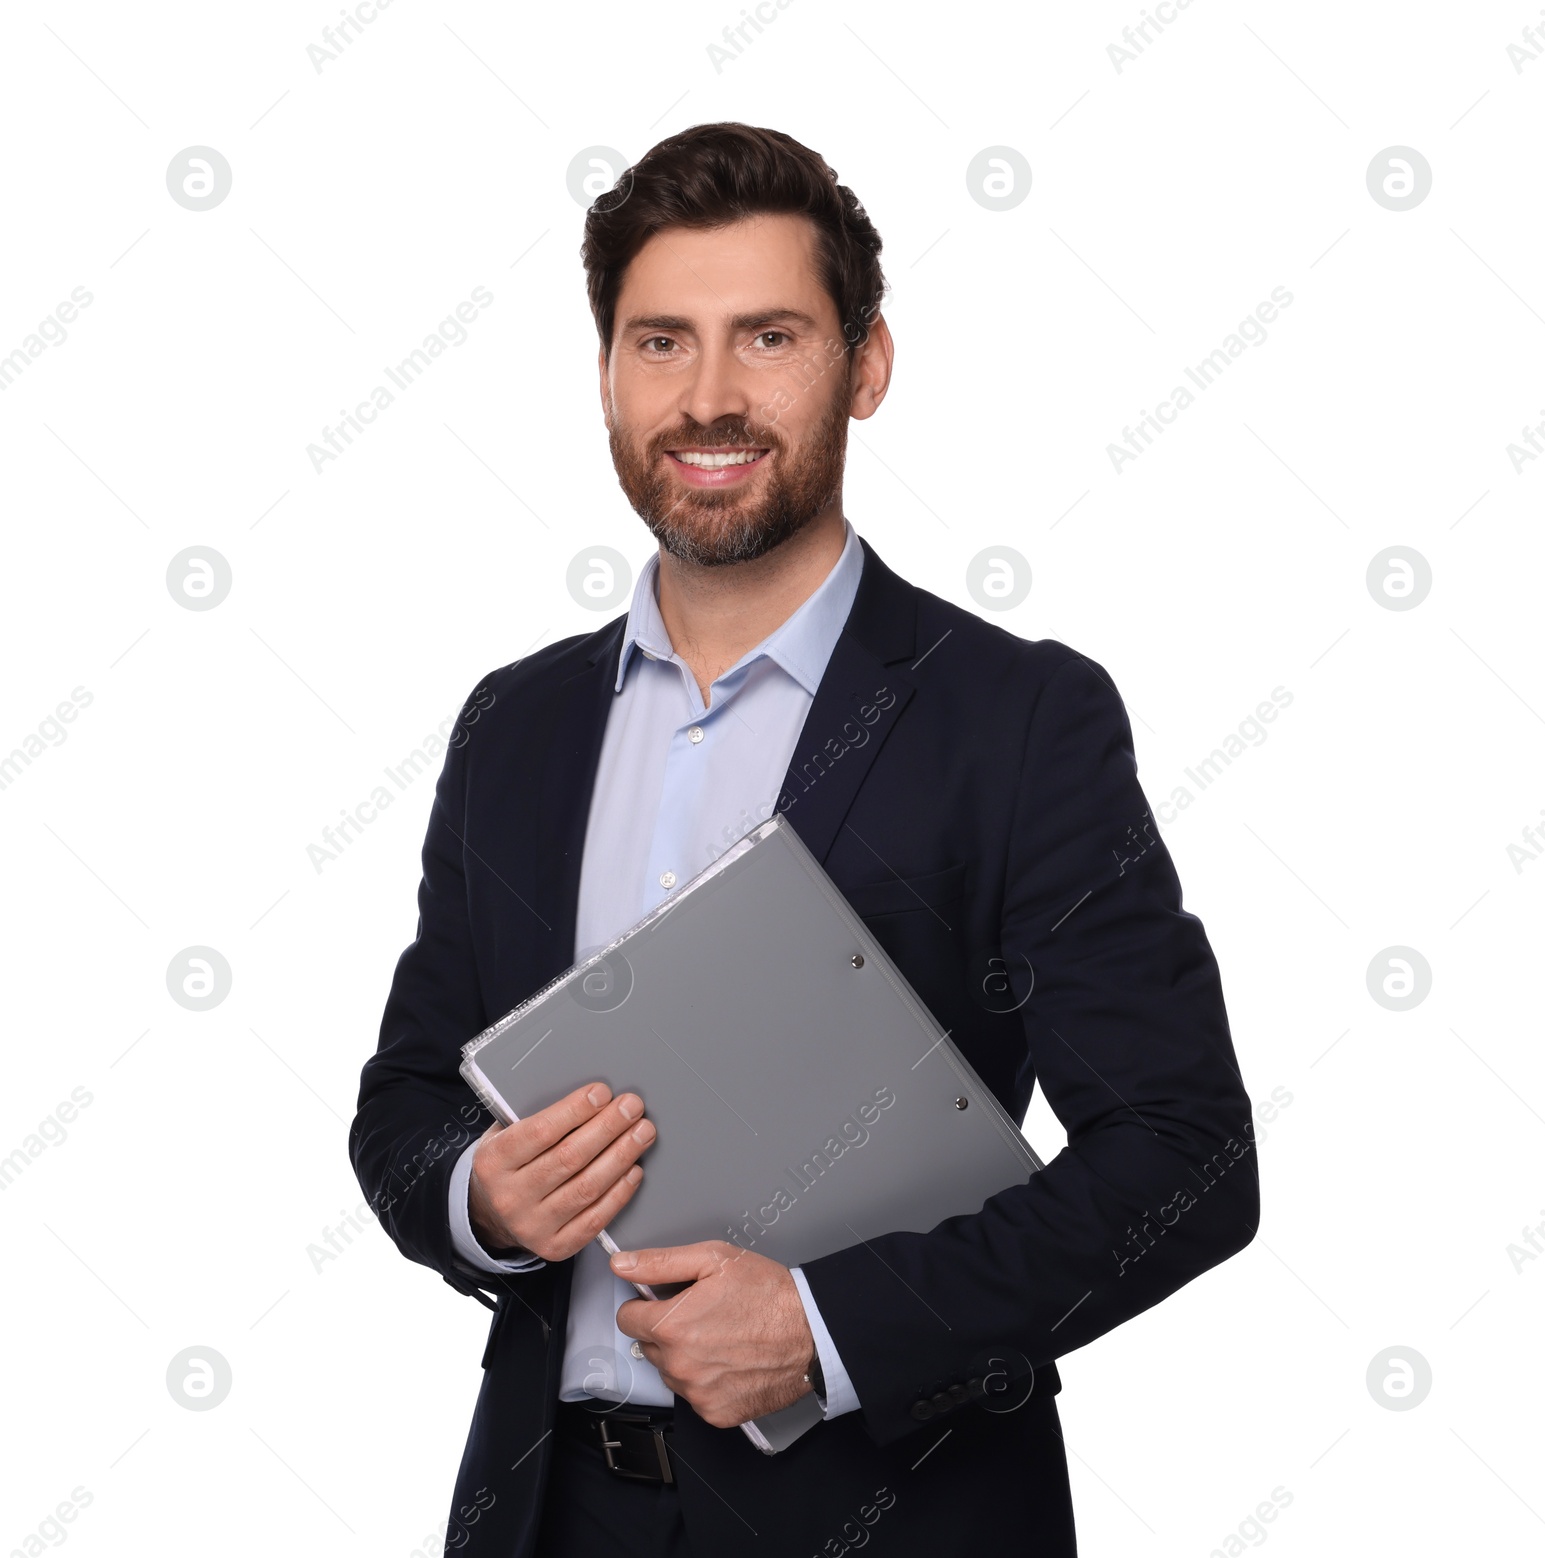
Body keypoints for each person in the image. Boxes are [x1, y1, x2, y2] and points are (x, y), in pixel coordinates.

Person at [349, 121, 1258, 1558]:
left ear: (867, 365)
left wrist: (829, 1327)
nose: (708, 395)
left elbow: (1185, 1157)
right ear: (606, 375)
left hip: (894, 1513)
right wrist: (480, 1194)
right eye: (660, 342)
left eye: (767, 335)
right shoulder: (513, 726)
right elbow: (403, 1103)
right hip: (546, 1512)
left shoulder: (1018, 718)